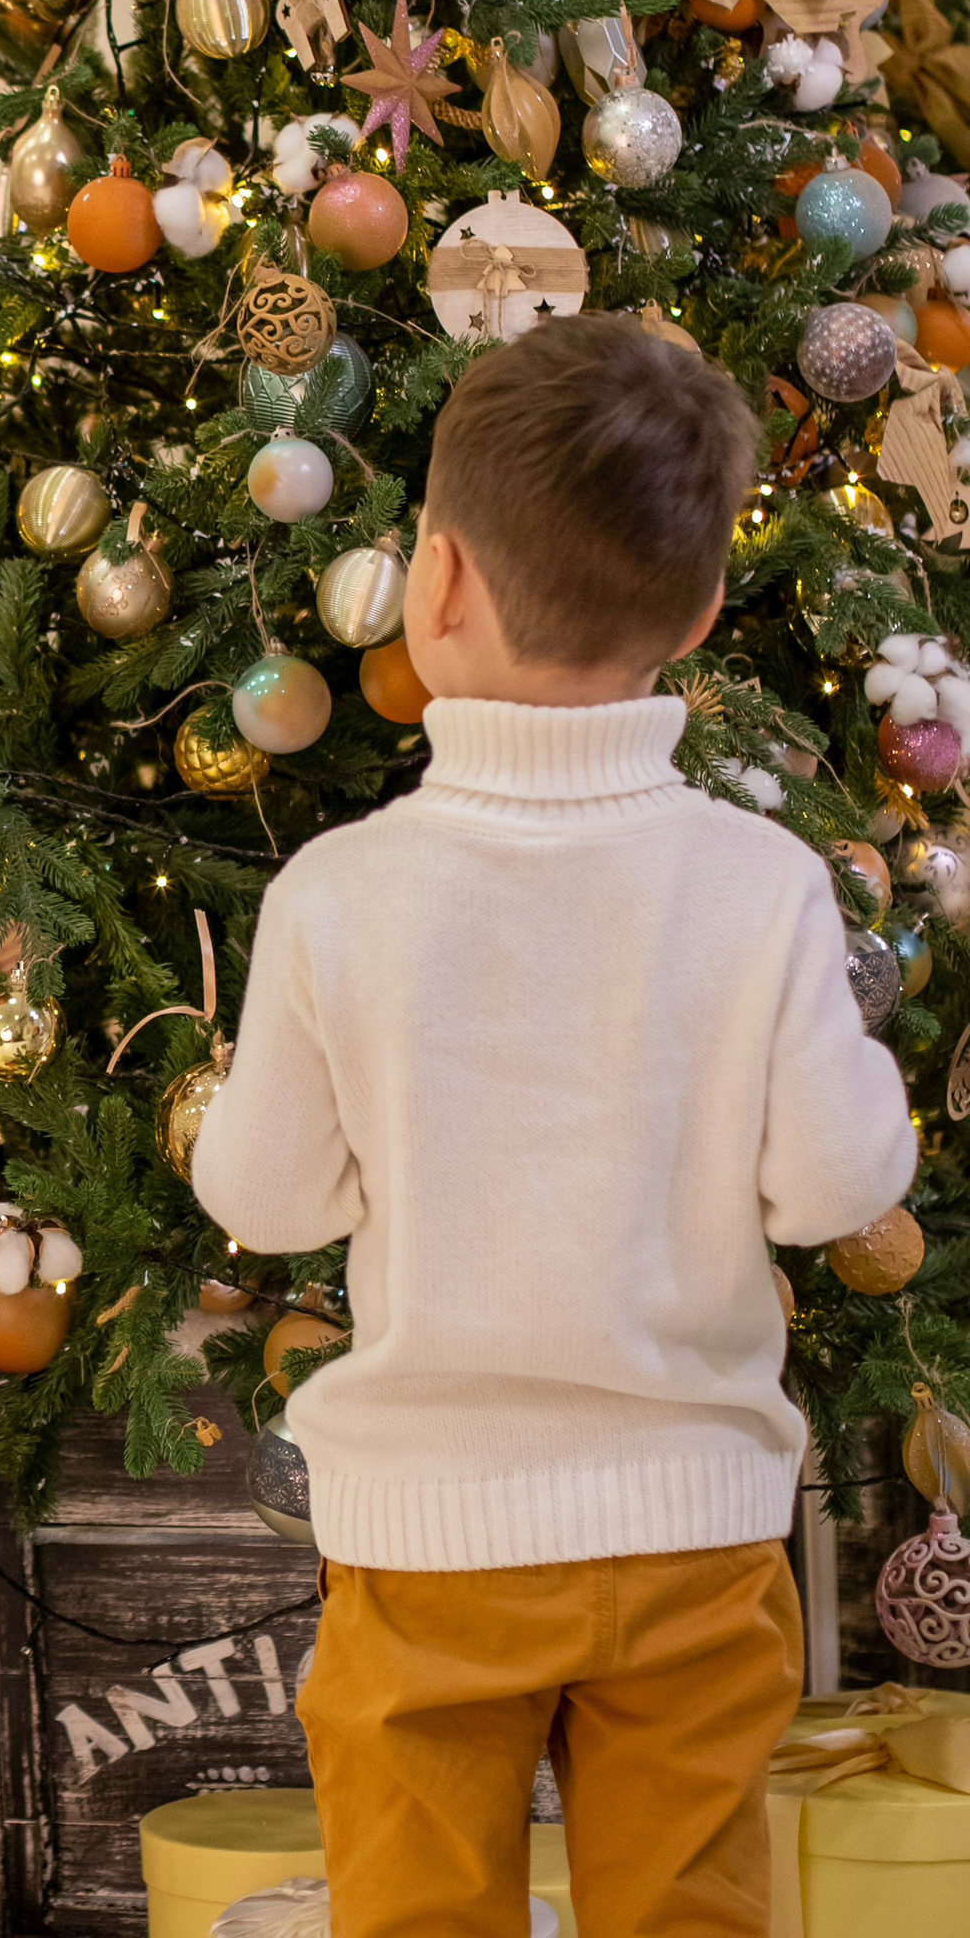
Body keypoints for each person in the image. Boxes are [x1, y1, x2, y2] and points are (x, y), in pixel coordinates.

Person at [191, 316, 920, 1938]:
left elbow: (271, 1193)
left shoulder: (342, 895)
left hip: (429, 1543)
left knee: (414, 1911)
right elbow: (837, 1185)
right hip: (693, 1534)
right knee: (689, 1914)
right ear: (706, 611)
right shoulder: (763, 887)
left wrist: (217, 1136)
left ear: (434, 585)